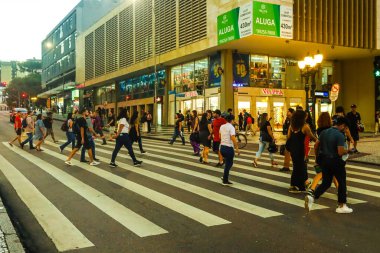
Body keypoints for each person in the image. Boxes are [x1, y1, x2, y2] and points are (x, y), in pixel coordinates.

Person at [305, 117, 353, 214]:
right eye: (346, 128)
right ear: (342, 125)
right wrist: (349, 150)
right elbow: (340, 152)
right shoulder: (340, 135)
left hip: (324, 160)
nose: (346, 130)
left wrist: (317, 159)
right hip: (336, 161)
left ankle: (312, 197)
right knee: (342, 182)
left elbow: (316, 145)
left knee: (326, 183)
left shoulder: (324, 132)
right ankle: (342, 205)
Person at [286, 110, 317, 193]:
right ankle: (295, 186)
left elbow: (288, 138)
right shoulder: (305, 126)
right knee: (300, 167)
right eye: (305, 116)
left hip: (293, 149)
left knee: (297, 166)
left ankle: (300, 185)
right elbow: (312, 137)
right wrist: (318, 142)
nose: (306, 117)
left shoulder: (291, 126)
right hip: (301, 150)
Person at [308, 112, 339, 194]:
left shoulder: (319, 130)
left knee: (330, 173)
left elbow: (316, 145)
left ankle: (340, 190)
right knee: (324, 172)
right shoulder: (331, 130)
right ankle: (312, 189)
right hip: (330, 153)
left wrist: (316, 156)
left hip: (321, 152)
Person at [220, 115, 240, 185]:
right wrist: (237, 148)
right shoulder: (231, 127)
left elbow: (220, 136)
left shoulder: (222, 126)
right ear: (232, 120)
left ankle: (225, 176)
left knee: (228, 163)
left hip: (222, 147)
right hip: (229, 148)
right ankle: (225, 180)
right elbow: (233, 137)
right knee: (229, 164)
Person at [279, 108, 295, 172]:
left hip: (293, 138)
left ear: (292, 113)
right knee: (287, 152)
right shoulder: (287, 119)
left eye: (288, 112)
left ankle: (289, 166)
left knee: (293, 153)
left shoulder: (294, 120)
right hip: (289, 138)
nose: (287, 113)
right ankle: (286, 166)